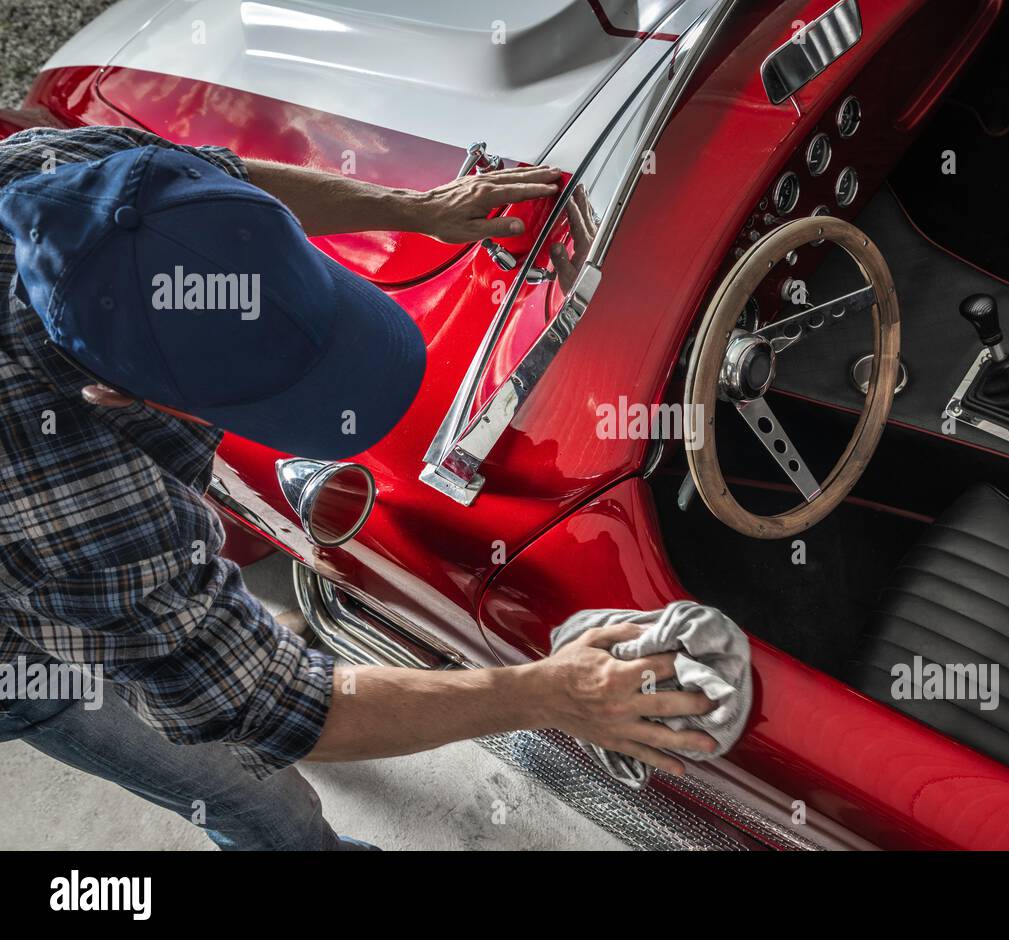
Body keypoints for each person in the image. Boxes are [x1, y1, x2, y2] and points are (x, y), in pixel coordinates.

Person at [0, 126, 715, 850]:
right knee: (251, 794)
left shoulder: (62, 175)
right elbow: (269, 702)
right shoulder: (84, 507)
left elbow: (219, 179)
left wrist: (417, 207)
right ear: (114, 394)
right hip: (21, 655)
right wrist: (552, 693)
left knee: (198, 646)